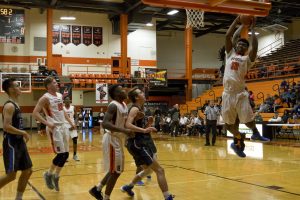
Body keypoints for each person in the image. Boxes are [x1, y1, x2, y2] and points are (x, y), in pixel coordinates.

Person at [222, 16, 269, 158]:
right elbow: (228, 35)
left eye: (244, 45)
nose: (241, 45)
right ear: (236, 46)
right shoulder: (229, 54)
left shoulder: (247, 60)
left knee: (248, 120)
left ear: (246, 49)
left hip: (240, 93)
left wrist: (252, 29)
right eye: (240, 44)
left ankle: (255, 134)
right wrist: (239, 23)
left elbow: (254, 46)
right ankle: (237, 140)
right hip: (228, 94)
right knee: (229, 126)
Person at [121, 87, 174, 200]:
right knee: (160, 170)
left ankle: (128, 187)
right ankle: (167, 197)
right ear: (136, 97)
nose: (143, 93)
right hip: (137, 143)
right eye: (140, 92)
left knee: (148, 170)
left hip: (137, 143)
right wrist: (144, 130)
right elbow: (128, 125)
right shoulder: (134, 109)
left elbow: (138, 127)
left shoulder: (140, 108)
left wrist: (148, 125)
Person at [89, 84, 133, 200]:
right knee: (116, 171)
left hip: (118, 139)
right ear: (117, 94)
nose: (125, 90)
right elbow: (105, 123)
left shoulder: (123, 105)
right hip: (111, 139)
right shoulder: (113, 106)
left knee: (115, 170)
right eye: (122, 89)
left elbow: (122, 122)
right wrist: (124, 130)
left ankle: (97, 189)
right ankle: (106, 197)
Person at [32, 76, 76, 191]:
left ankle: (56, 176)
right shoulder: (45, 98)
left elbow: (62, 112)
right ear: (48, 86)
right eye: (54, 82)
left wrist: (71, 122)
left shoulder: (60, 96)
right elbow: (35, 113)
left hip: (63, 127)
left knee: (66, 154)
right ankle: (48, 173)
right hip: (54, 128)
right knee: (60, 154)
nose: (57, 83)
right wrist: (47, 123)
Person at [0, 78, 32, 200]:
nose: (19, 88)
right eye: (17, 86)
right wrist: (23, 132)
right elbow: (6, 127)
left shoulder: (16, 104)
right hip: (11, 143)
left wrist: (21, 135)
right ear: (11, 89)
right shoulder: (9, 106)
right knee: (11, 176)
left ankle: (18, 198)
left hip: (19, 142)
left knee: (28, 170)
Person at [63, 97, 80, 161]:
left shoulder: (73, 107)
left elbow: (76, 117)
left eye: (68, 100)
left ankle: (75, 155)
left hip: (73, 125)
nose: (67, 101)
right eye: (66, 100)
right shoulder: (62, 108)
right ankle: (66, 156)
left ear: (70, 101)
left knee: (75, 139)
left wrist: (74, 124)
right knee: (66, 142)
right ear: (64, 102)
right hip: (65, 126)